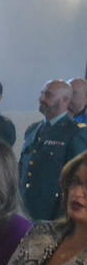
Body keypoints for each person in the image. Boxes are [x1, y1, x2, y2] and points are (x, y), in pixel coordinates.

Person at [19, 80, 87, 222]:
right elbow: (22, 169)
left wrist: (62, 218)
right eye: (42, 94)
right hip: (25, 209)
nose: (42, 99)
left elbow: (76, 179)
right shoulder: (33, 129)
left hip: (52, 213)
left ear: (65, 100)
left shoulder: (75, 132)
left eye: (48, 95)